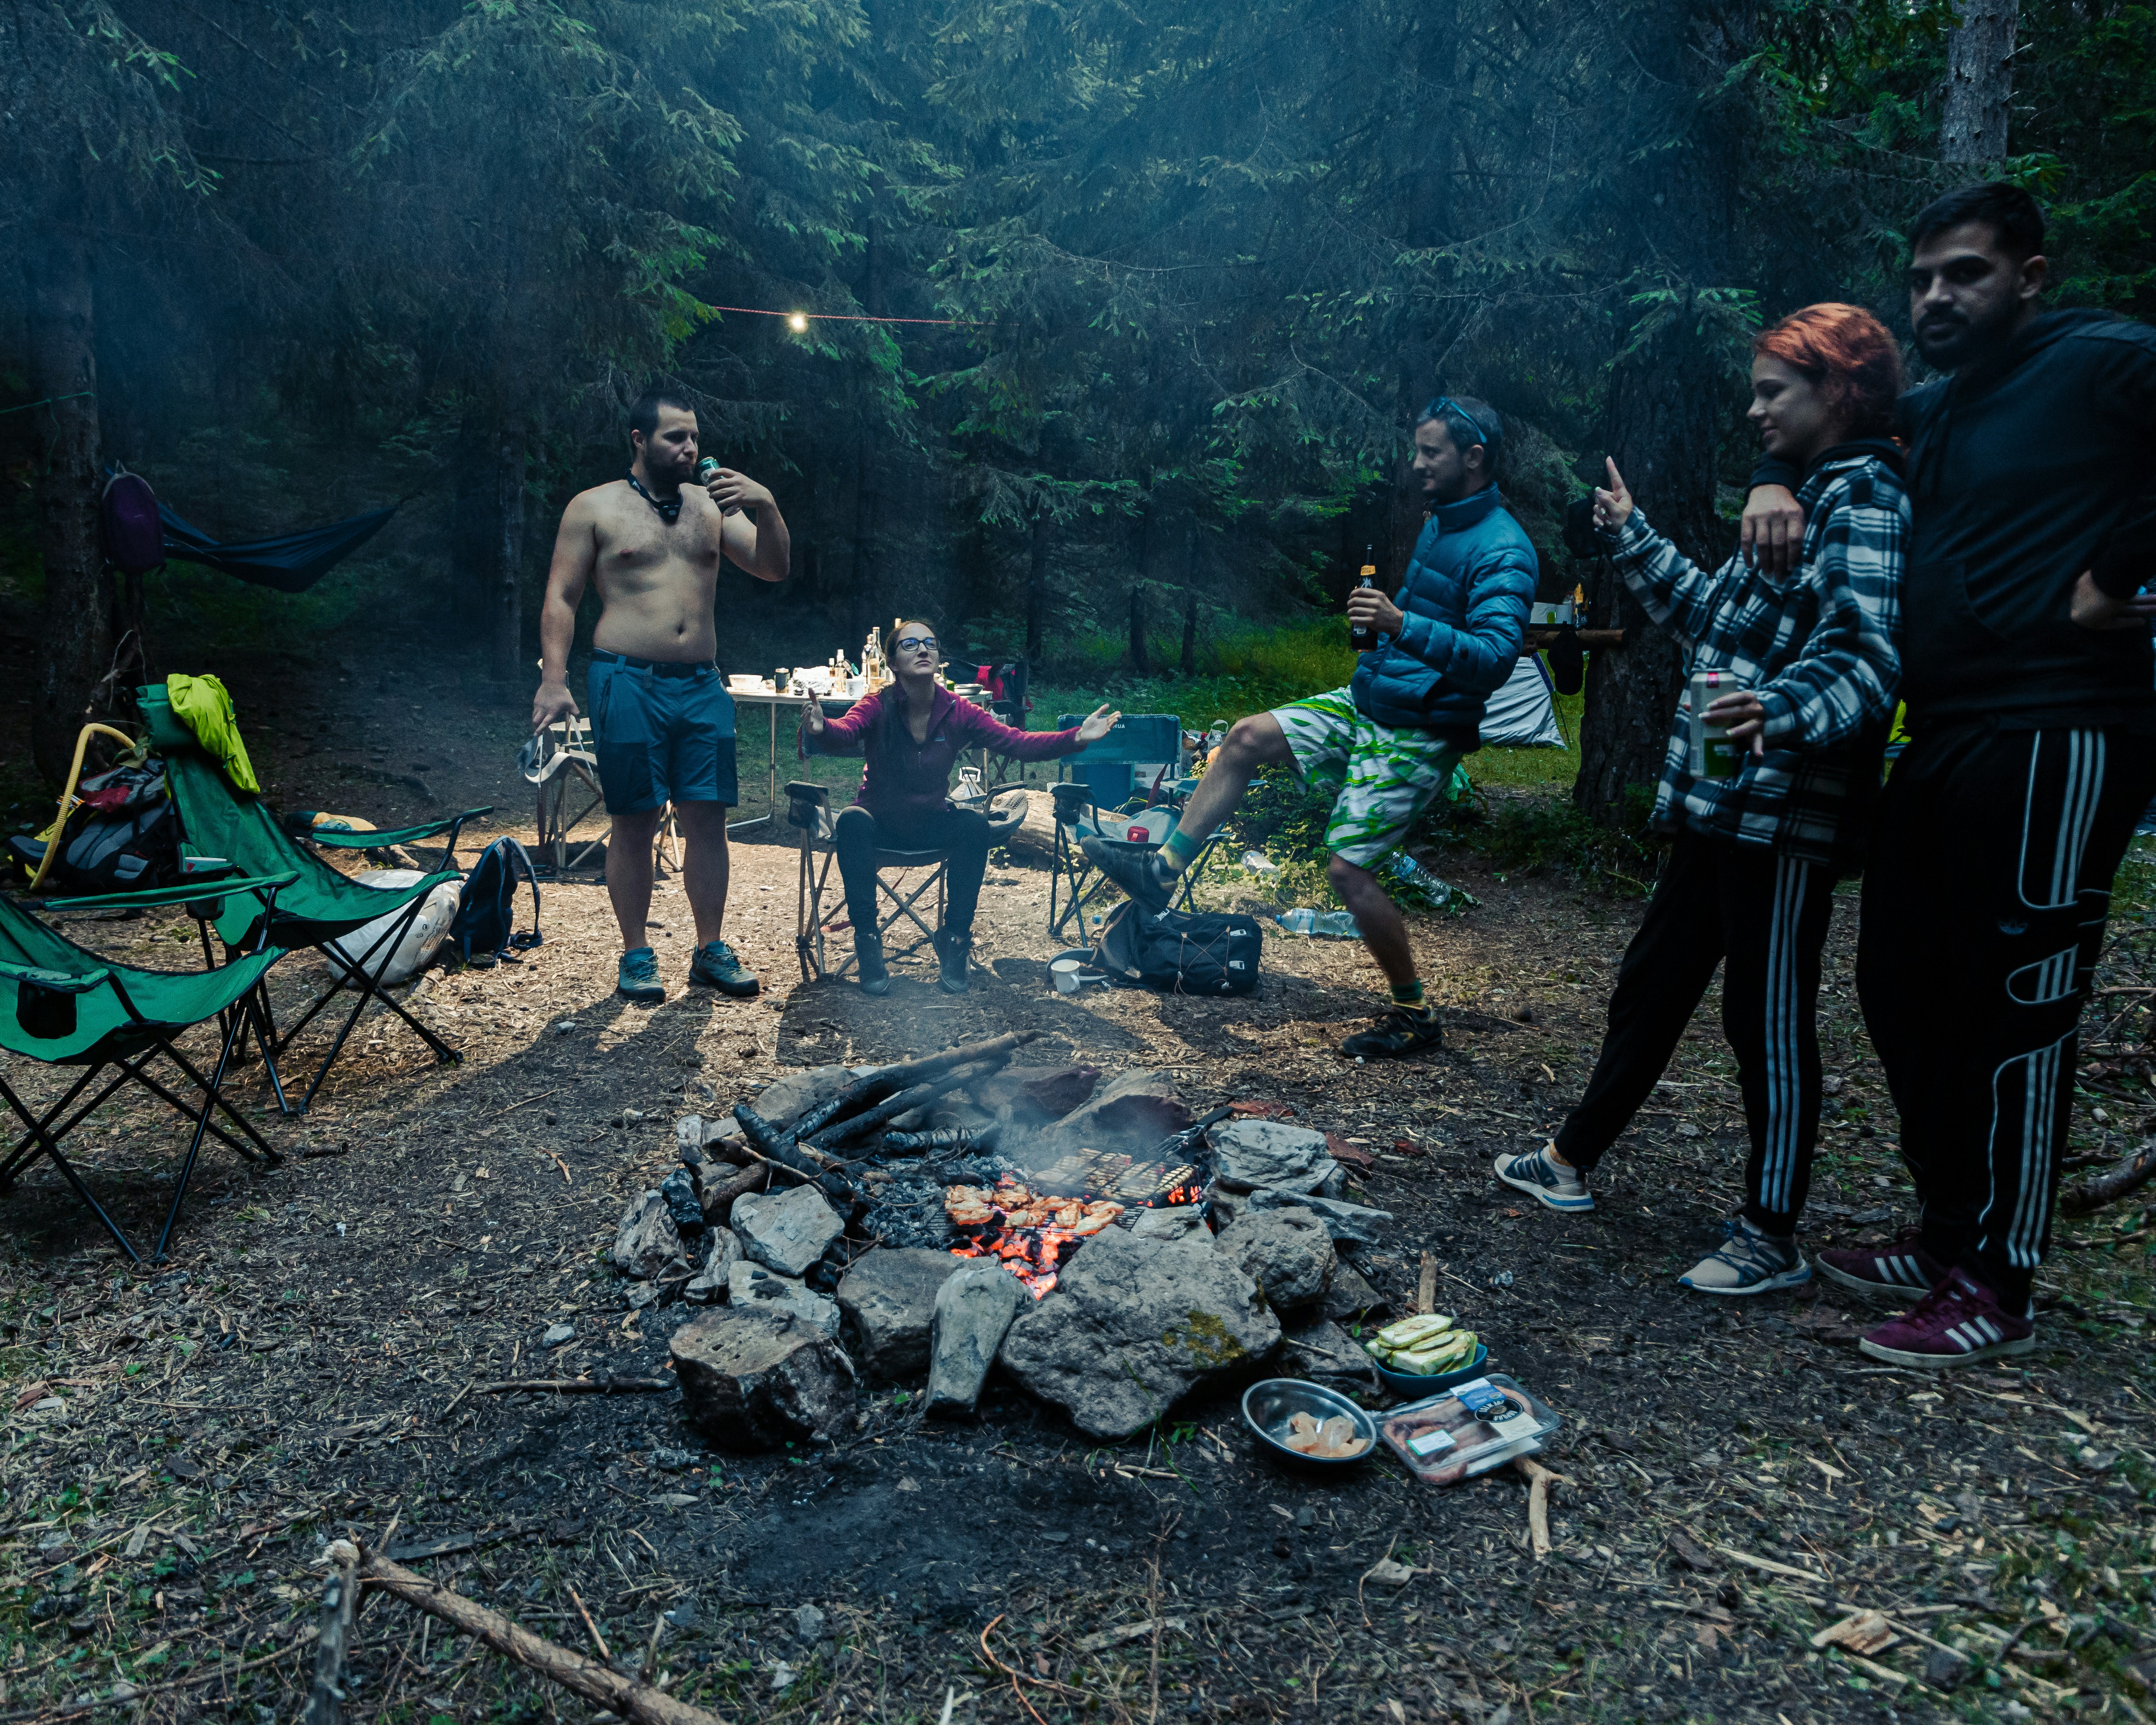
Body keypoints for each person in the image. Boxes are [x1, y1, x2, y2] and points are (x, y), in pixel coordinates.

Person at [1741, 183, 2156, 1366]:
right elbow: (1813, 420)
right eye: (1922, 277)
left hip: (2063, 727)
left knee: (2017, 1002)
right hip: (1946, 731)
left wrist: (2120, 569)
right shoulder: (1936, 408)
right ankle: (1945, 1230)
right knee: (1899, 980)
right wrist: (1769, 482)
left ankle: (1999, 1281)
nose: (1936, 297)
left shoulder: (2104, 361)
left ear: (2029, 274)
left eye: (1965, 273)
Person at [1493, 306, 1909, 1297]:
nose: (1751, 407)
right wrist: (1629, 534)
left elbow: (1867, 656)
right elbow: (1708, 614)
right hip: (1718, 813)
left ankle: (1769, 1233)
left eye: (1772, 390)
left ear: (1838, 392)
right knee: (1650, 983)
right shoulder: (1797, 496)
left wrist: (1775, 708)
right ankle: (1567, 1161)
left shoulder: (1861, 500)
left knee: (1763, 1019)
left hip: (1780, 822)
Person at [1081, 396, 1535, 1057]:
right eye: (1417, 450)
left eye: (1430, 453)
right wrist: (1386, 641)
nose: (1416, 465)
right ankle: (1163, 868)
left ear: (1474, 458)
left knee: (1350, 872)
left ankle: (1414, 1015)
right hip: (1373, 700)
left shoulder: (1505, 549)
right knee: (1243, 737)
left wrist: (1399, 624)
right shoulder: (1443, 520)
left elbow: (1495, 661)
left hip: (1421, 729)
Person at [531, 384, 791, 1005]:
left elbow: (774, 568)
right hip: (626, 678)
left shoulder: (712, 507)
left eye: (695, 436)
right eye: (677, 437)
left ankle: (709, 950)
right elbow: (562, 597)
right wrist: (553, 678)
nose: (690, 448)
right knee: (636, 819)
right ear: (639, 440)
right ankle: (636, 954)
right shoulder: (594, 508)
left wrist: (769, 506)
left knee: (708, 816)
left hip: (701, 682)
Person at [802, 621, 1119, 993]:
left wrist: (1077, 737)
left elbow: (1016, 743)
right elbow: (847, 731)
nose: (923, 650)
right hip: (879, 823)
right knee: (852, 820)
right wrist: (823, 727)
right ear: (892, 662)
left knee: (974, 826)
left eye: (930, 644)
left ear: (938, 657)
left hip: (931, 822)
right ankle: (869, 942)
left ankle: (954, 939)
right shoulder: (878, 704)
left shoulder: (958, 711)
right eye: (910, 645)